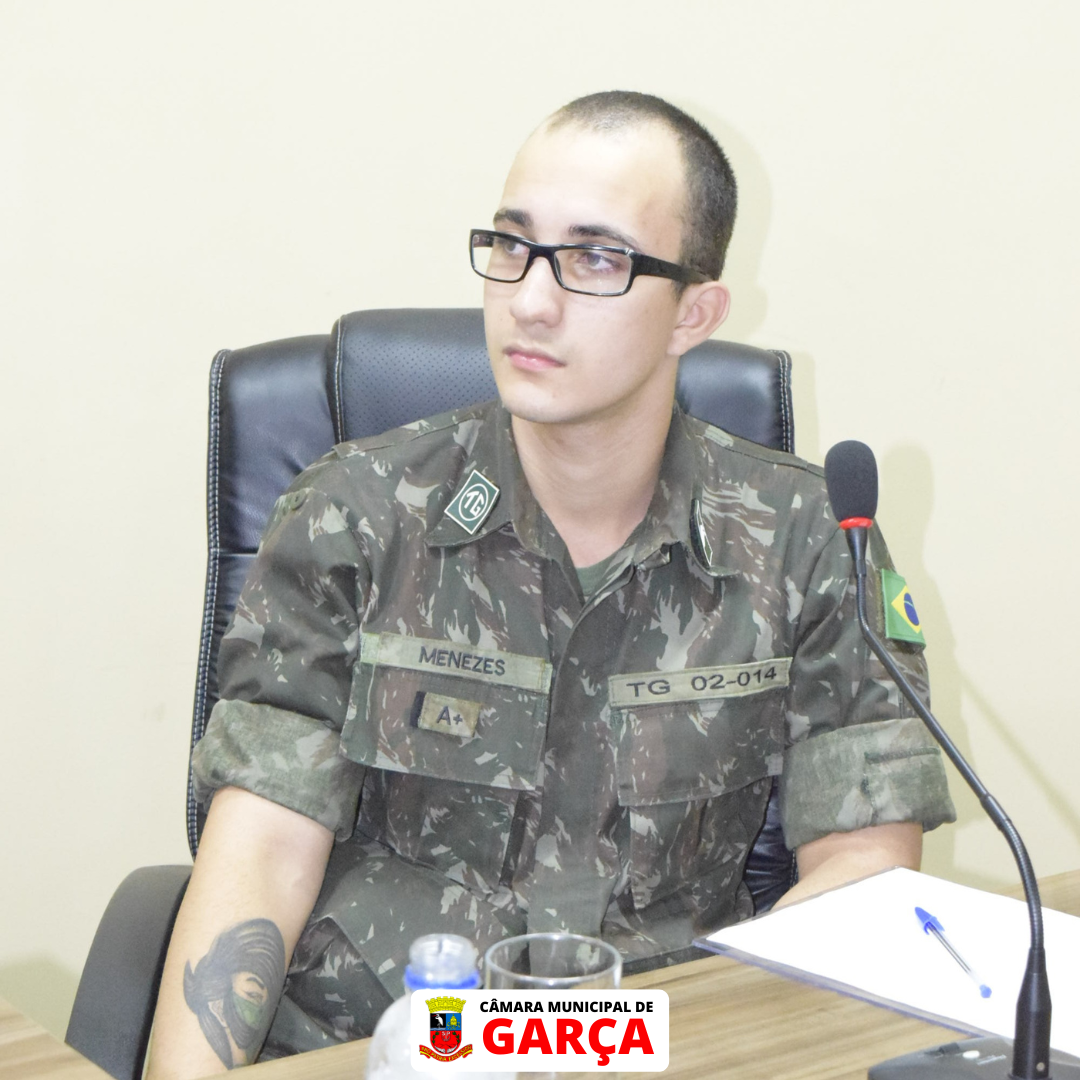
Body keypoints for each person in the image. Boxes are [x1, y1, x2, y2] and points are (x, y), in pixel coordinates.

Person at [146, 91, 955, 1077]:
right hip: (380, 1046)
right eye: (512, 245)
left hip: (657, 1048)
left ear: (693, 313)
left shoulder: (808, 539)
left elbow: (864, 867)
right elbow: (260, 857)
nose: (530, 300)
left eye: (597, 259)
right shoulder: (353, 514)